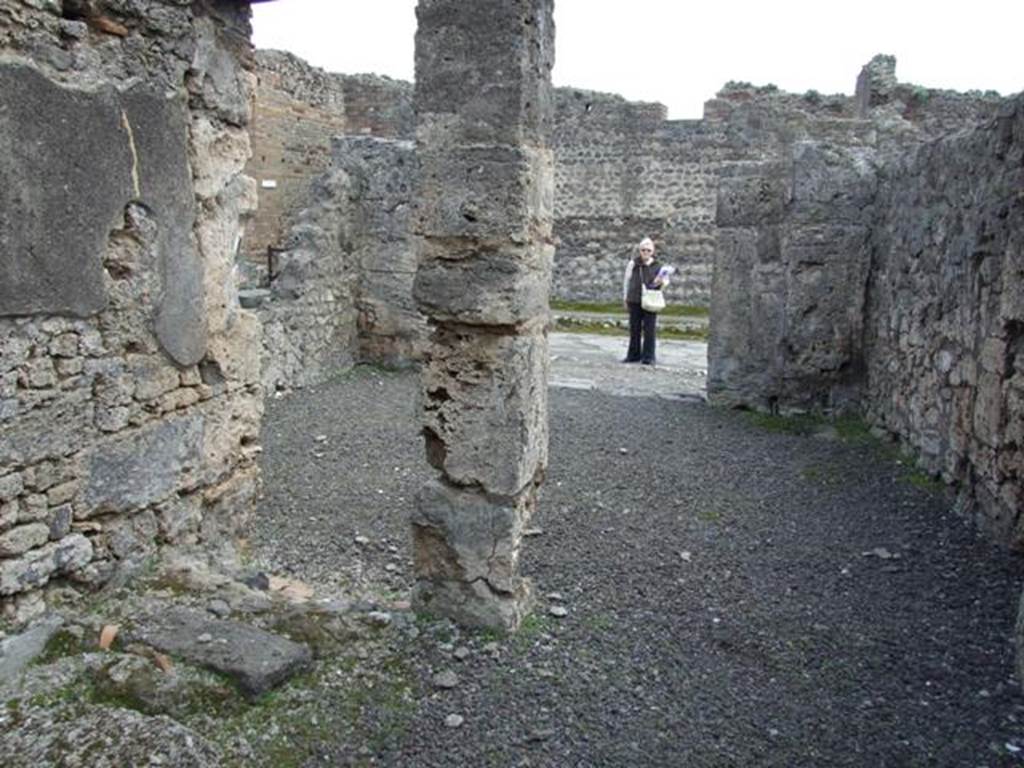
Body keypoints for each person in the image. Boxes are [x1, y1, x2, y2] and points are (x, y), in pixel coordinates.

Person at [621, 236, 667, 365]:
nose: (645, 252)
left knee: (650, 329)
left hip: (651, 300)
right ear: (639, 251)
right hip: (635, 299)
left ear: (652, 252)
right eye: (643, 250)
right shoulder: (633, 264)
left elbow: (665, 283)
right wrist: (625, 298)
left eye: (648, 250)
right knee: (634, 328)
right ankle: (633, 355)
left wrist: (661, 282)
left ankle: (649, 356)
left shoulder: (659, 266)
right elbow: (627, 281)